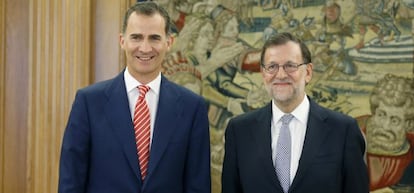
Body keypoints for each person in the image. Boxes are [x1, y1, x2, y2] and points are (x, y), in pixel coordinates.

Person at [58, 2, 211, 193]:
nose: (145, 48)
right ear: (122, 41)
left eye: (154, 38)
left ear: (169, 43)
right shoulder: (89, 103)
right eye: (136, 37)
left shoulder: (192, 107)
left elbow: (198, 186)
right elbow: (71, 183)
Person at [221, 32, 369, 193]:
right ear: (263, 74)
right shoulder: (239, 130)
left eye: (290, 66)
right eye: (272, 67)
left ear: (308, 72)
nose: (281, 74)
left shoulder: (343, 130)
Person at [356, 73, 414, 192]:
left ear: (408, 125)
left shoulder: (412, 154)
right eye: (381, 115)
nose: (385, 126)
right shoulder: (351, 139)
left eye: (394, 120)